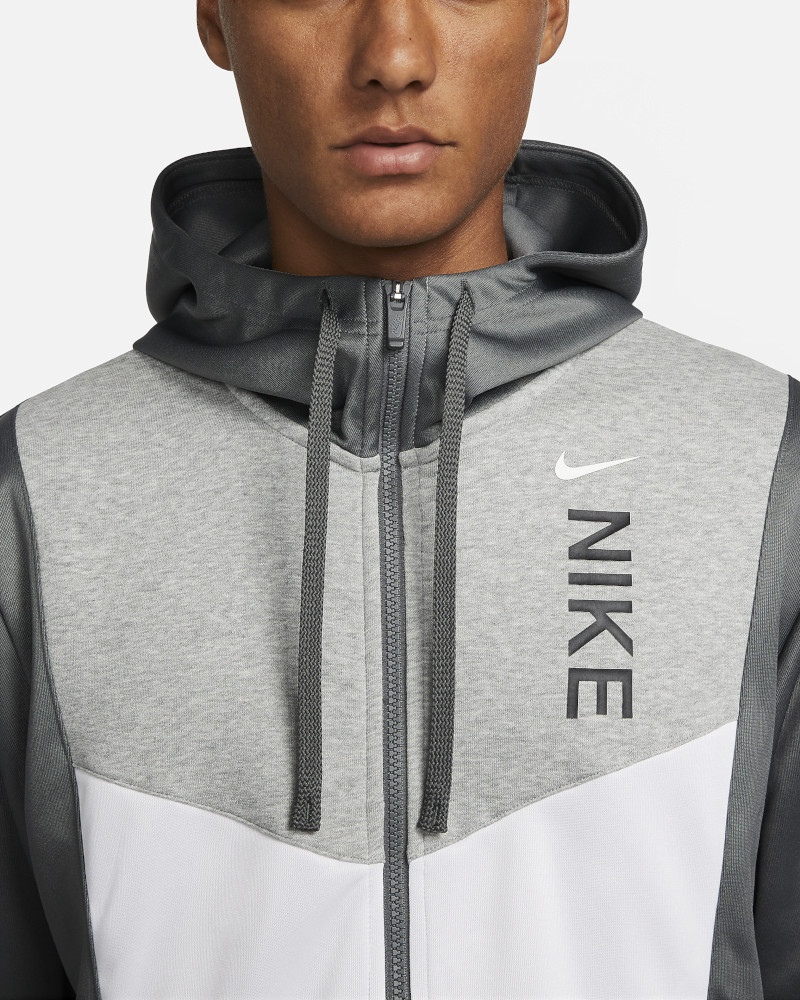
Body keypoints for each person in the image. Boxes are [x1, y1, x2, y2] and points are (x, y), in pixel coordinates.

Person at [1, 0, 797, 997]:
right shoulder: (37, 495)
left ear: (549, 11)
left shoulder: (762, 470)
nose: (393, 57)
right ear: (215, 19)